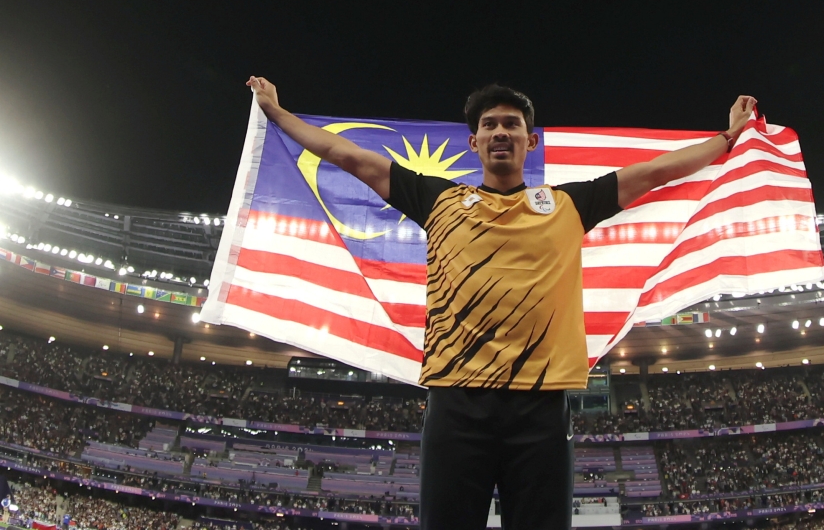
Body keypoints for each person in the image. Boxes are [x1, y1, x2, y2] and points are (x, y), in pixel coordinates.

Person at [246, 76, 756, 530]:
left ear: (530, 141)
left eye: (512, 124)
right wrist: (276, 111)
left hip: (540, 408)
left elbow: (653, 172)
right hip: (456, 403)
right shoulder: (437, 200)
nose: (500, 132)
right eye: (489, 125)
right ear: (474, 142)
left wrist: (727, 138)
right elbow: (348, 157)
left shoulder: (567, 205)